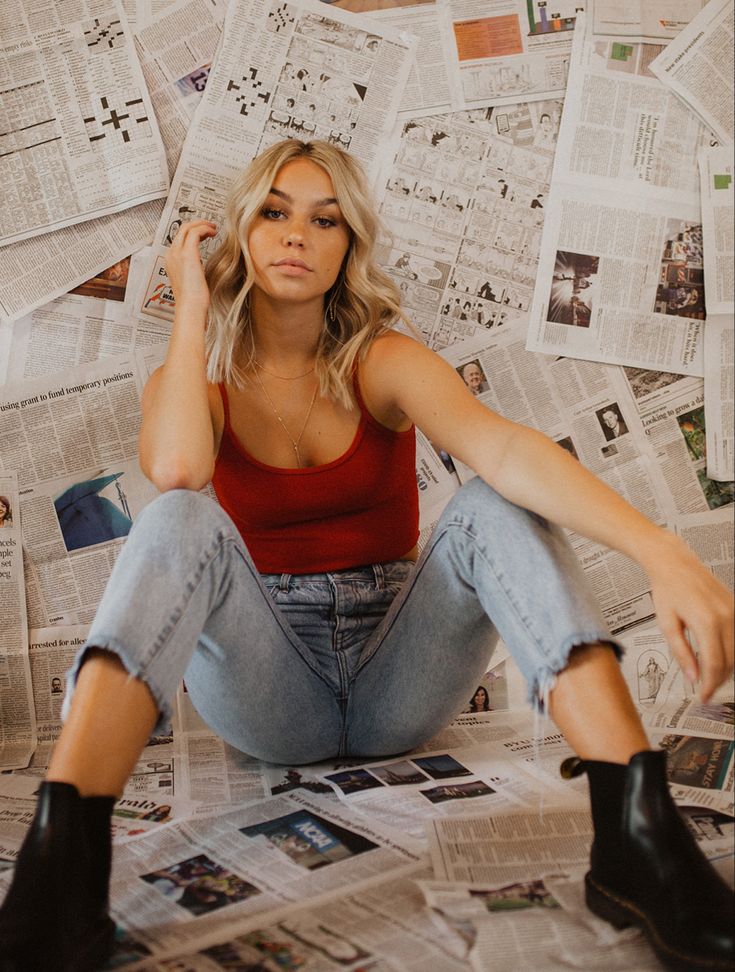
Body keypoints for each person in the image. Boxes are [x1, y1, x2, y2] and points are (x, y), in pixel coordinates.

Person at [1, 140, 731, 972]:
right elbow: (176, 471)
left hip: (398, 677)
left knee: (493, 501)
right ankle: (61, 867)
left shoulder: (381, 361)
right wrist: (194, 306)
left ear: (348, 247)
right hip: (270, 691)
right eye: (273, 212)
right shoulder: (195, 384)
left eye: (325, 220)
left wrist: (659, 550)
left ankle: (639, 834)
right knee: (176, 518)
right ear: (240, 233)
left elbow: (505, 449)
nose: (296, 236)